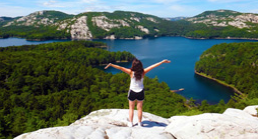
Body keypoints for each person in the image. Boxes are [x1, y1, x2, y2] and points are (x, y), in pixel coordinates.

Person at [104, 58, 171, 127]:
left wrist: (111, 64)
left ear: (133, 65)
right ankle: (139, 123)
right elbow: (153, 66)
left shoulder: (130, 72)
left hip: (132, 91)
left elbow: (120, 68)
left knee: (131, 108)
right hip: (140, 92)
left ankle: (130, 123)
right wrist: (162, 61)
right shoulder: (143, 72)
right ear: (140, 65)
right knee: (140, 109)